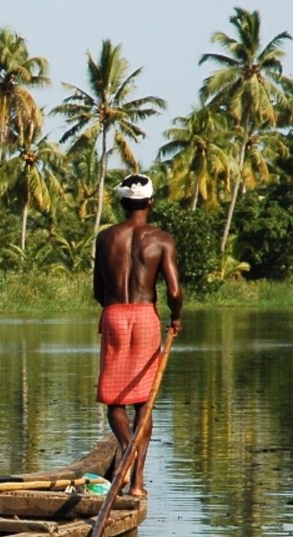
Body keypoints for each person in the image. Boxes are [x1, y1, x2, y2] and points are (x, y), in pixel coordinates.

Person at [92, 173, 182, 498]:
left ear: (122, 203)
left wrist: (116, 309)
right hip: (145, 317)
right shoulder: (161, 239)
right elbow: (174, 290)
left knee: (115, 403)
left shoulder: (105, 238)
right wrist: (176, 317)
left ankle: (126, 450)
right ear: (150, 202)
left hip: (114, 315)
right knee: (144, 402)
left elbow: (98, 290)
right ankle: (138, 483)